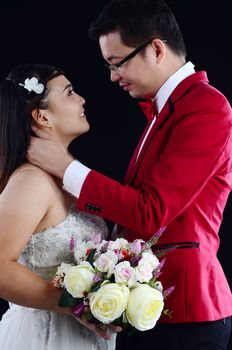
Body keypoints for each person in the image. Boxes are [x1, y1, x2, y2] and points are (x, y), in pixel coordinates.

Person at [27, 0, 232, 349]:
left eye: (117, 63)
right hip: (150, 309)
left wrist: (66, 168)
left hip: (185, 311)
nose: (112, 76)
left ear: (155, 48)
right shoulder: (162, 111)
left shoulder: (206, 107)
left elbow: (150, 212)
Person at [0, 63, 120, 350]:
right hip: (44, 336)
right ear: (43, 116)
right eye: (69, 93)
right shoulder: (31, 181)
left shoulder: (69, 178)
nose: (81, 99)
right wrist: (73, 305)